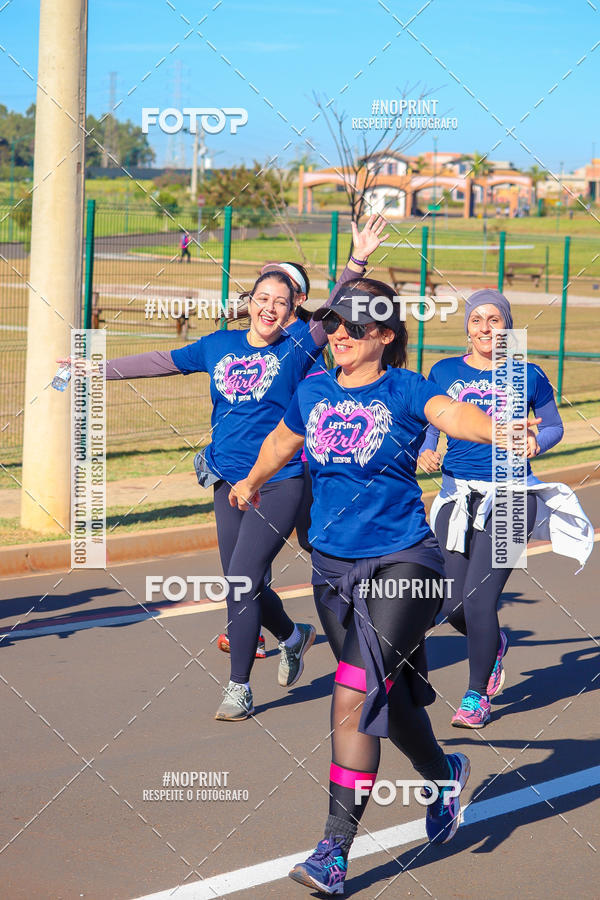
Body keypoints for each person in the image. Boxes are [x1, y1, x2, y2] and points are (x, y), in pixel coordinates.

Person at [229, 278, 521, 893]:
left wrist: (496, 430)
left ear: (384, 336)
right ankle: (444, 774)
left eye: (353, 327)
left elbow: (453, 414)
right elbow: (284, 440)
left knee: (353, 693)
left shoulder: (406, 387)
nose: (338, 334)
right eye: (332, 324)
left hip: (405, 564)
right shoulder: (312, 391)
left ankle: (332, 853)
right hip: (332, 571)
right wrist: (253, 480)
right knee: (389, 696)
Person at [418, 289, 593, 728]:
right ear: (467, 327)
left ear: (508, 326)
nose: (485, 328)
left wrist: (537, 441)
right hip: (457, 497)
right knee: (452, 605)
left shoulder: (526, 374)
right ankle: (494, 644)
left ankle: (477, 694)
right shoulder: (443, 371)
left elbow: (553, 425)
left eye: (494, 319)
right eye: (477, 319)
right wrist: (426, 449)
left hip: (514, 498)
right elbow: (430, 422)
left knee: (479, 602)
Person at [216, 217, 387, 657]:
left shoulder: (311, 343)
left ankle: (365, 617)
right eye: (263, 293)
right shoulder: (251, 342)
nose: (271, 301)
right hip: (258, 470)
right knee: (246, 571)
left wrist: (357, 260)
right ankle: (266, 631)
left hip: (307, 469)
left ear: (299, 300)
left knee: (317, 546)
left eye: (283, 292)